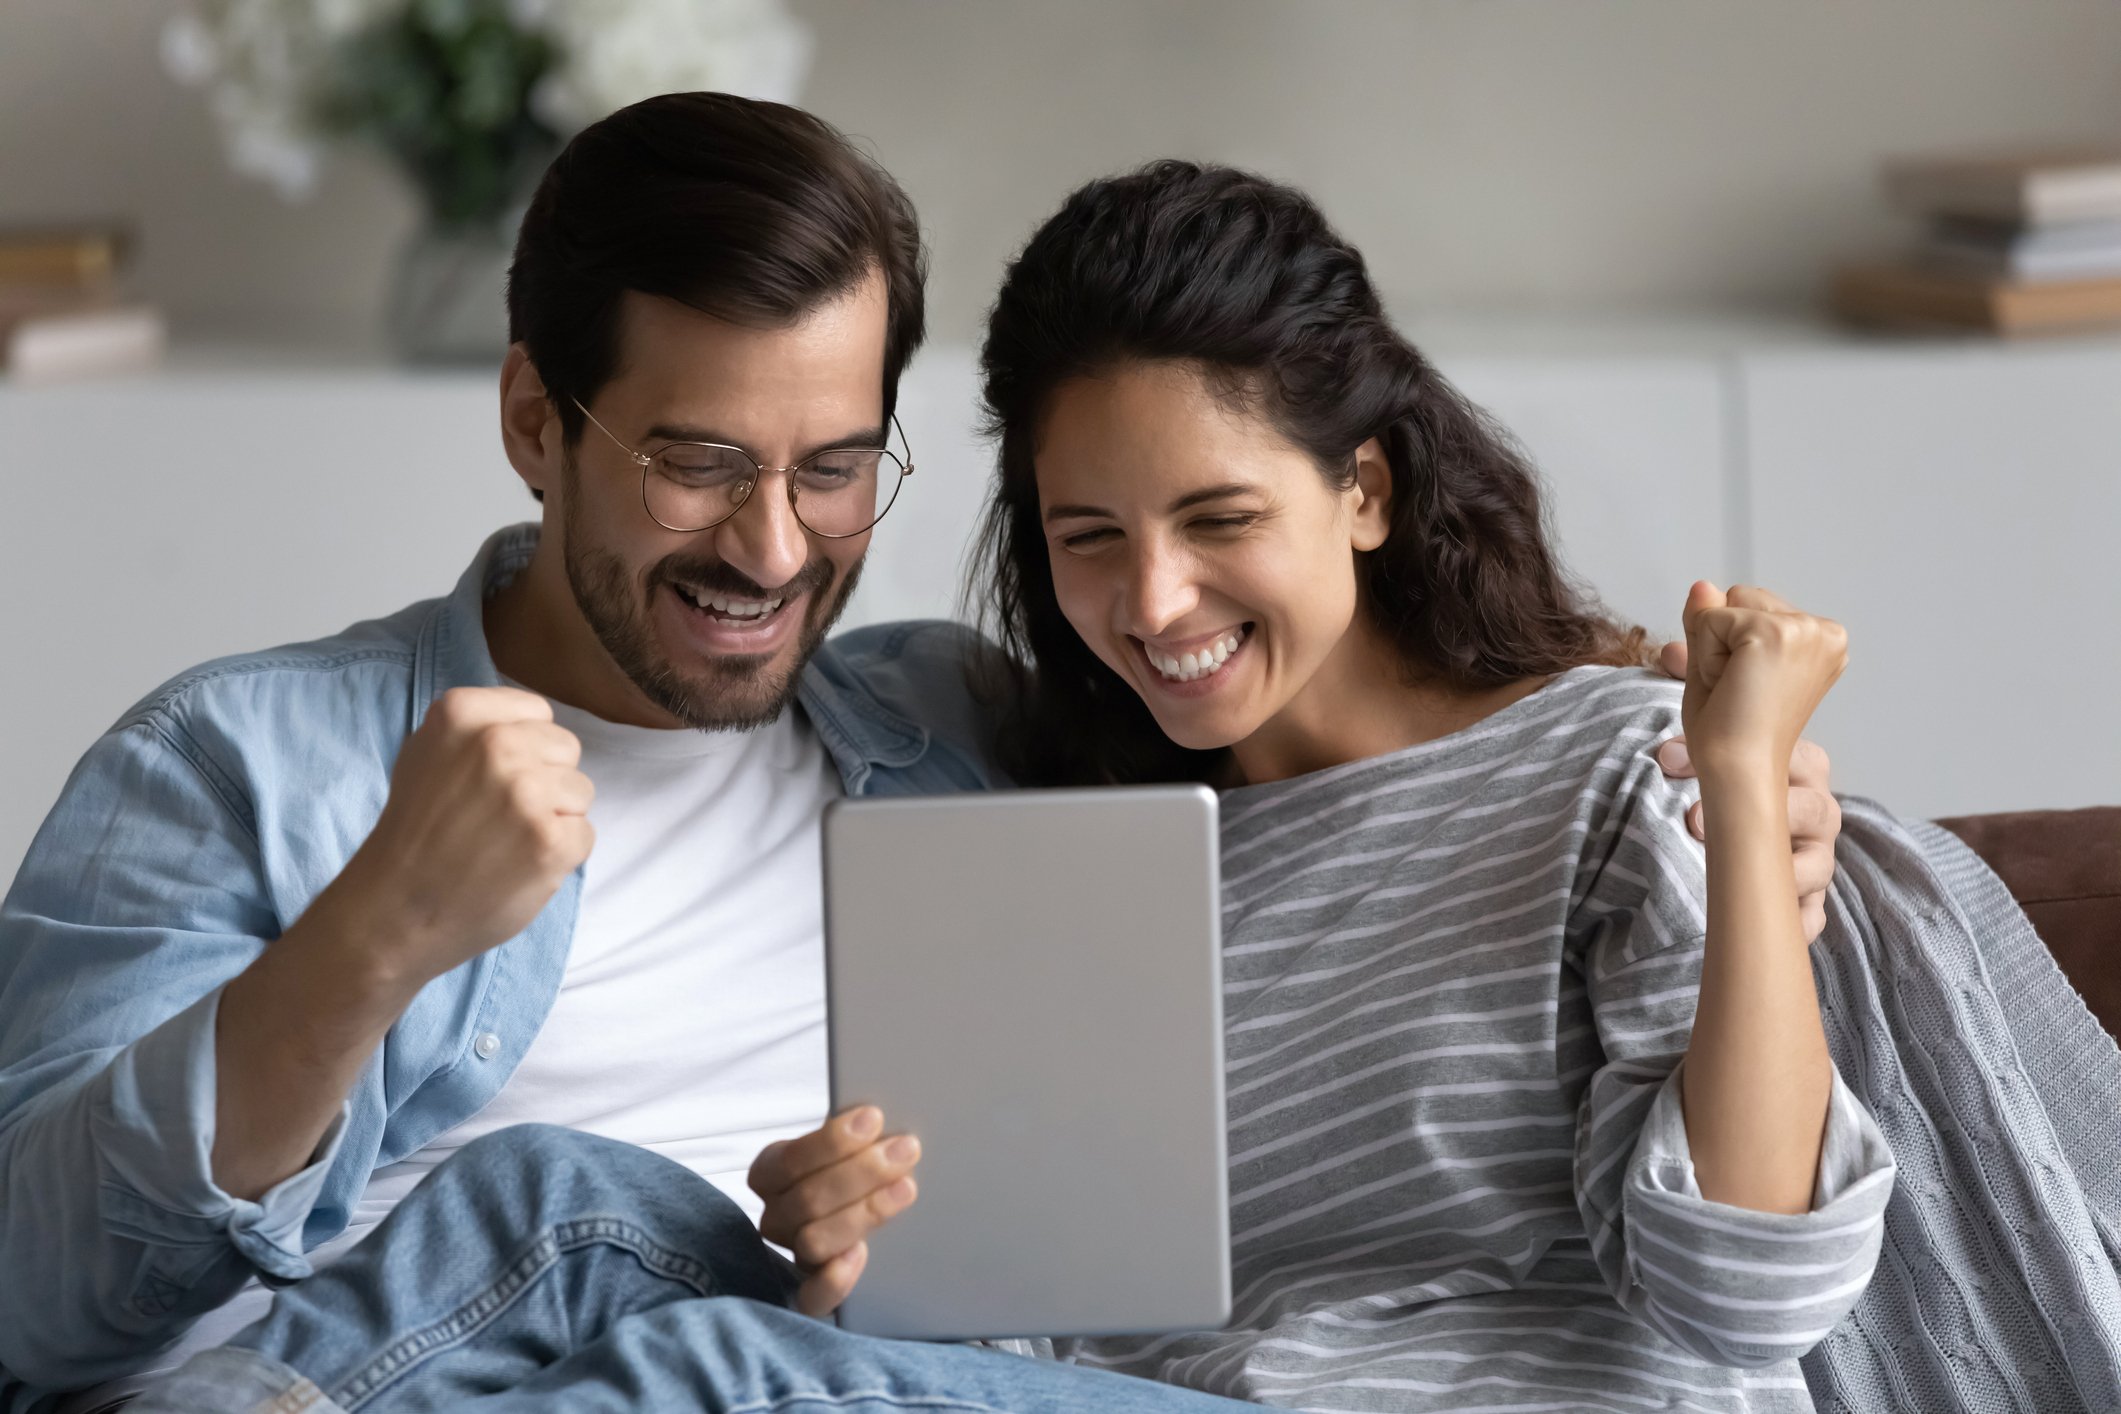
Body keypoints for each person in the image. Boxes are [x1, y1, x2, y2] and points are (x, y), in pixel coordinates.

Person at [0, 97, 1839, 1413]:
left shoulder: (953, 731)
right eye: (696, 462)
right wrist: (367, 945)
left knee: (634, 1259)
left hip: (809, 1368)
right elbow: (34, 1304)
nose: (774, 549)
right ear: (531, 421)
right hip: (409, 1354)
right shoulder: (238, 760)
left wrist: (1725, 805)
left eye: (830, 469)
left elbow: (1350, 771)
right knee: (559, 1203)